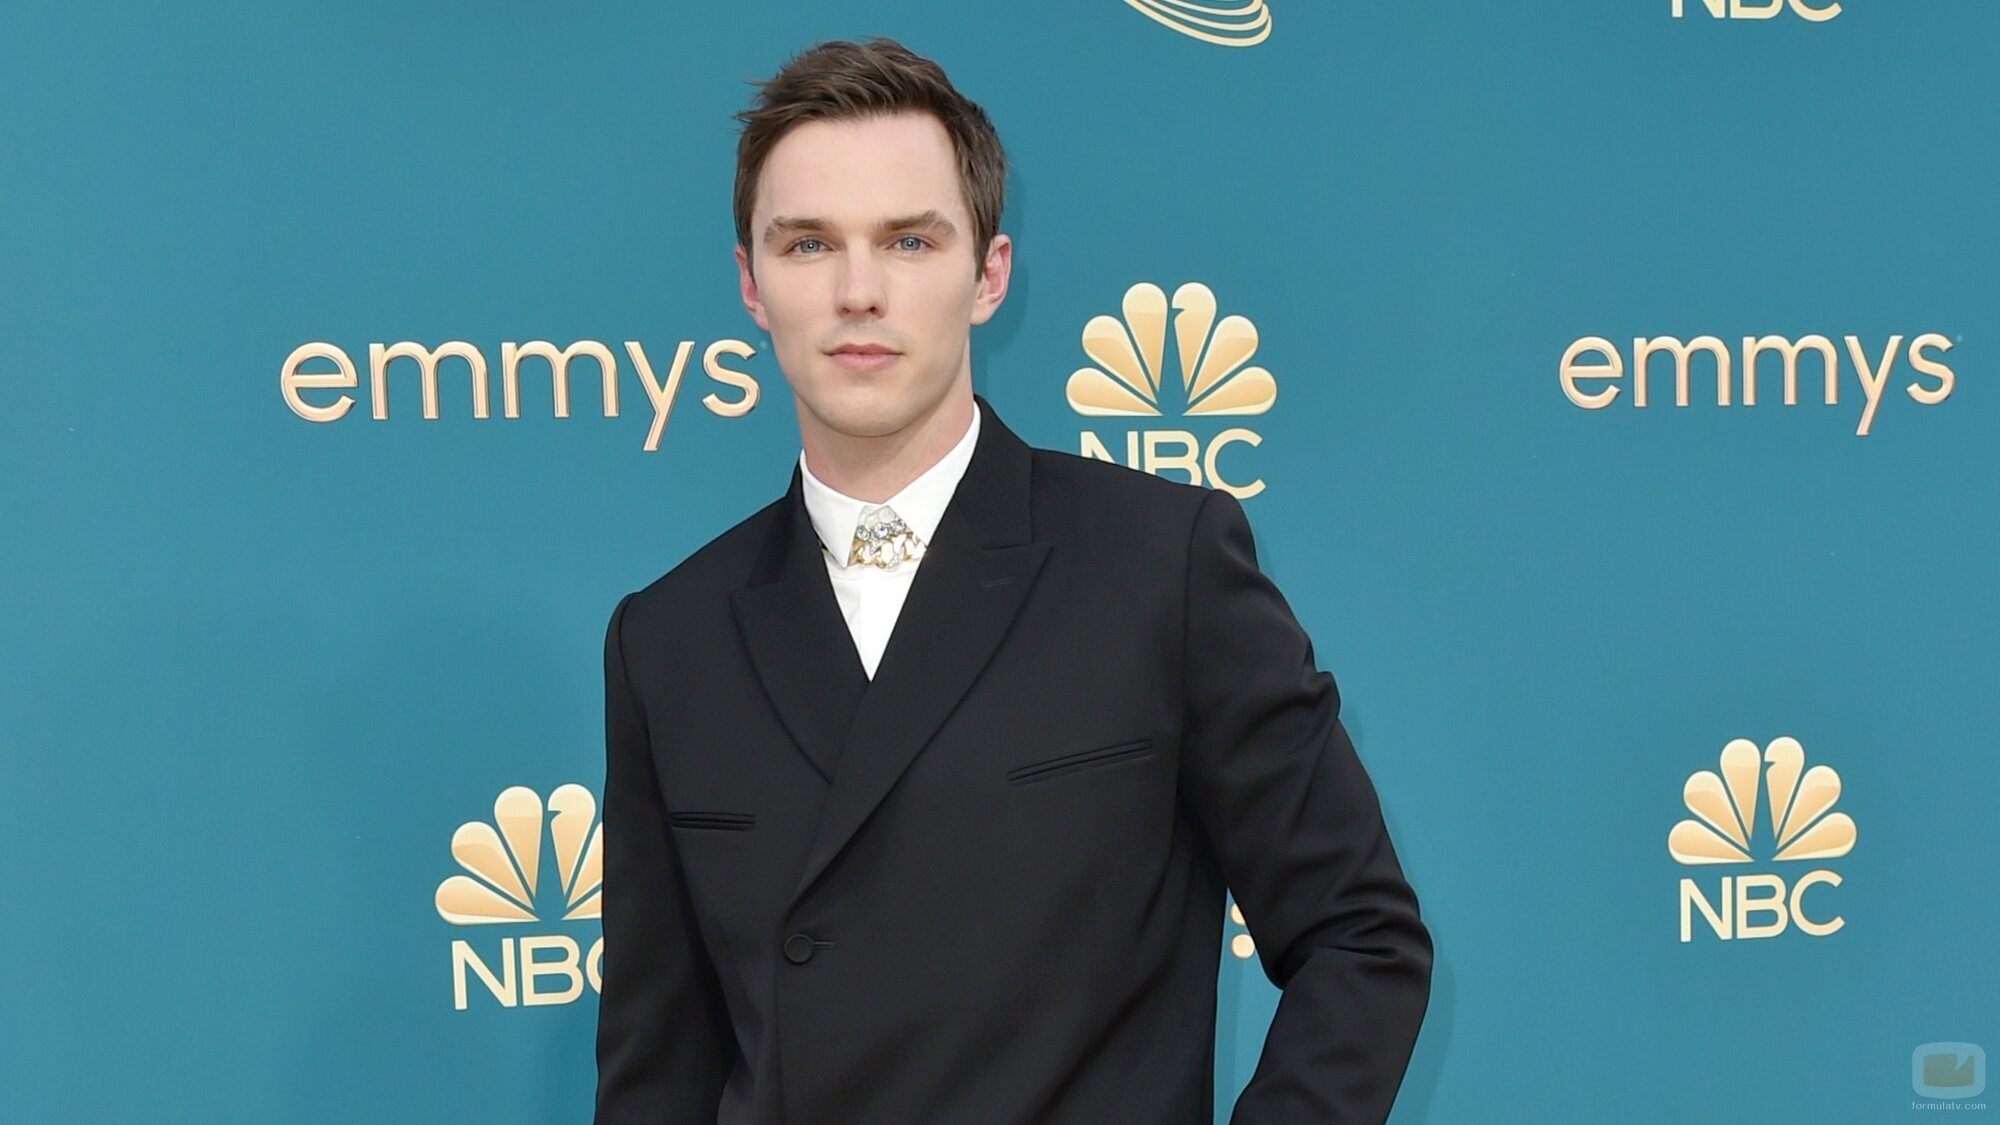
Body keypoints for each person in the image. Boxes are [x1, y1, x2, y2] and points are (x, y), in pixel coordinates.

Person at [595, 36, 1431, 1124]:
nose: (857, 292)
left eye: (906, 240)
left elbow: (1359, 936)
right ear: (751, 284)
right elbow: (656, 1073)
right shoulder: (669, 638)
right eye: (807, 245)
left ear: (986, 274)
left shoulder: (1157, 565)